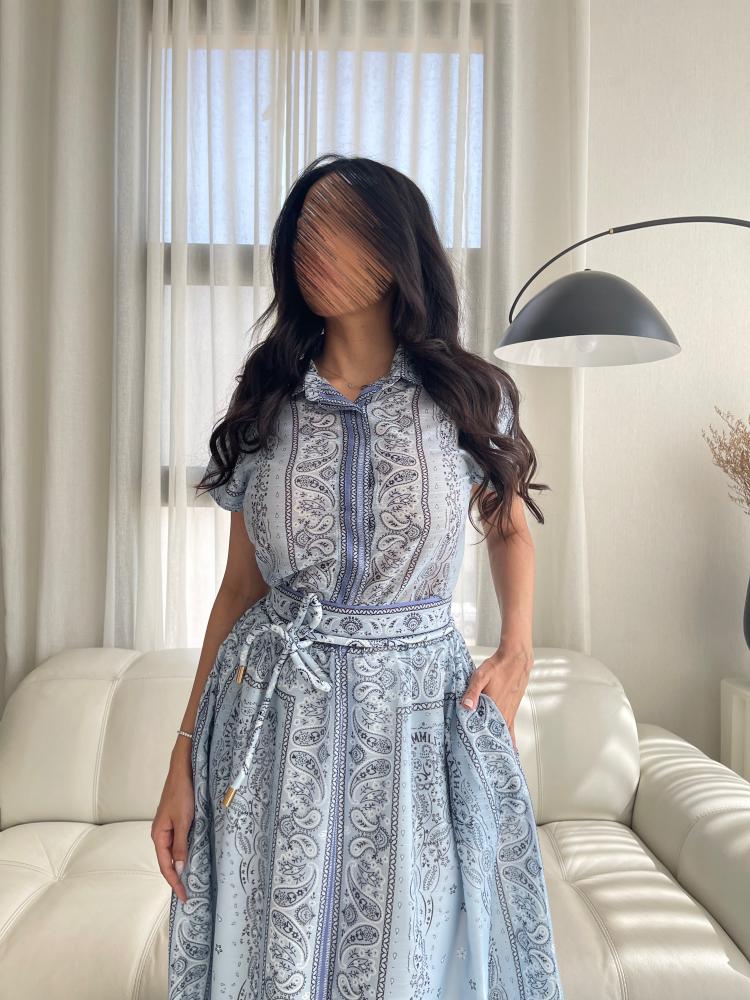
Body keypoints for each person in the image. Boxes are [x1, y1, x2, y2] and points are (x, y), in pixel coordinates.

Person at [155, 153, 564, 999]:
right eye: (302, 232)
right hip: (274, 726)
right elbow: (240, 590)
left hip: (416, 724)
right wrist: (183, 754)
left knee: (404, 957)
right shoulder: (267, 400)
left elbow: (507, 526)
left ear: (394, 247)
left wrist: (517, 646)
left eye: (337, 229)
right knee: (276, 955)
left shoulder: (465, 395)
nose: (312, 248)